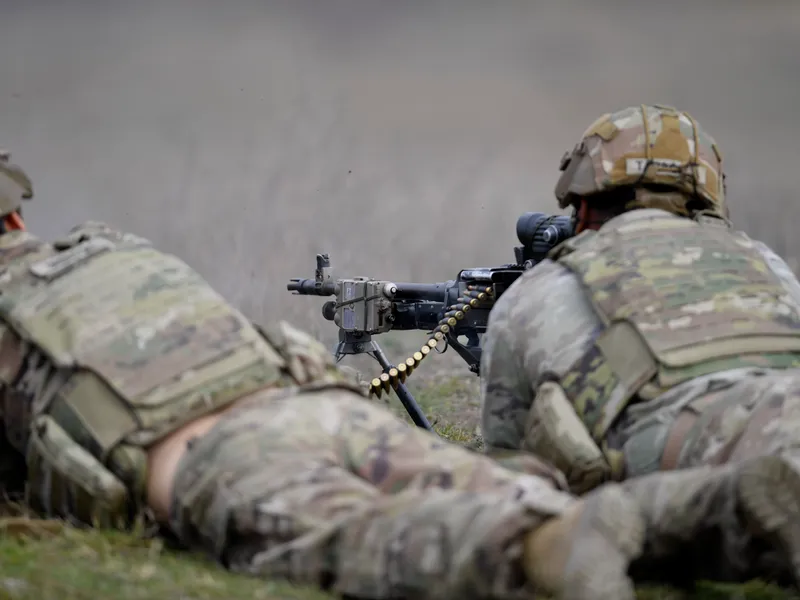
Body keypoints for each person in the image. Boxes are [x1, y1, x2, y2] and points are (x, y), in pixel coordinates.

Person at [0, 149, 659, 600]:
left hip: (208, 456)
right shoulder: (104, 250)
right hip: (307, 403)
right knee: (484, 478)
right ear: (18, 216)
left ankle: (544, 550)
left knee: (356, 532)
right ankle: (708, 509)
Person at [480, 104, 800, 585]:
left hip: (705, 465)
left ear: (582, 204)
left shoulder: (537, 291)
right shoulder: (768, 265)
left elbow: (509, 470)